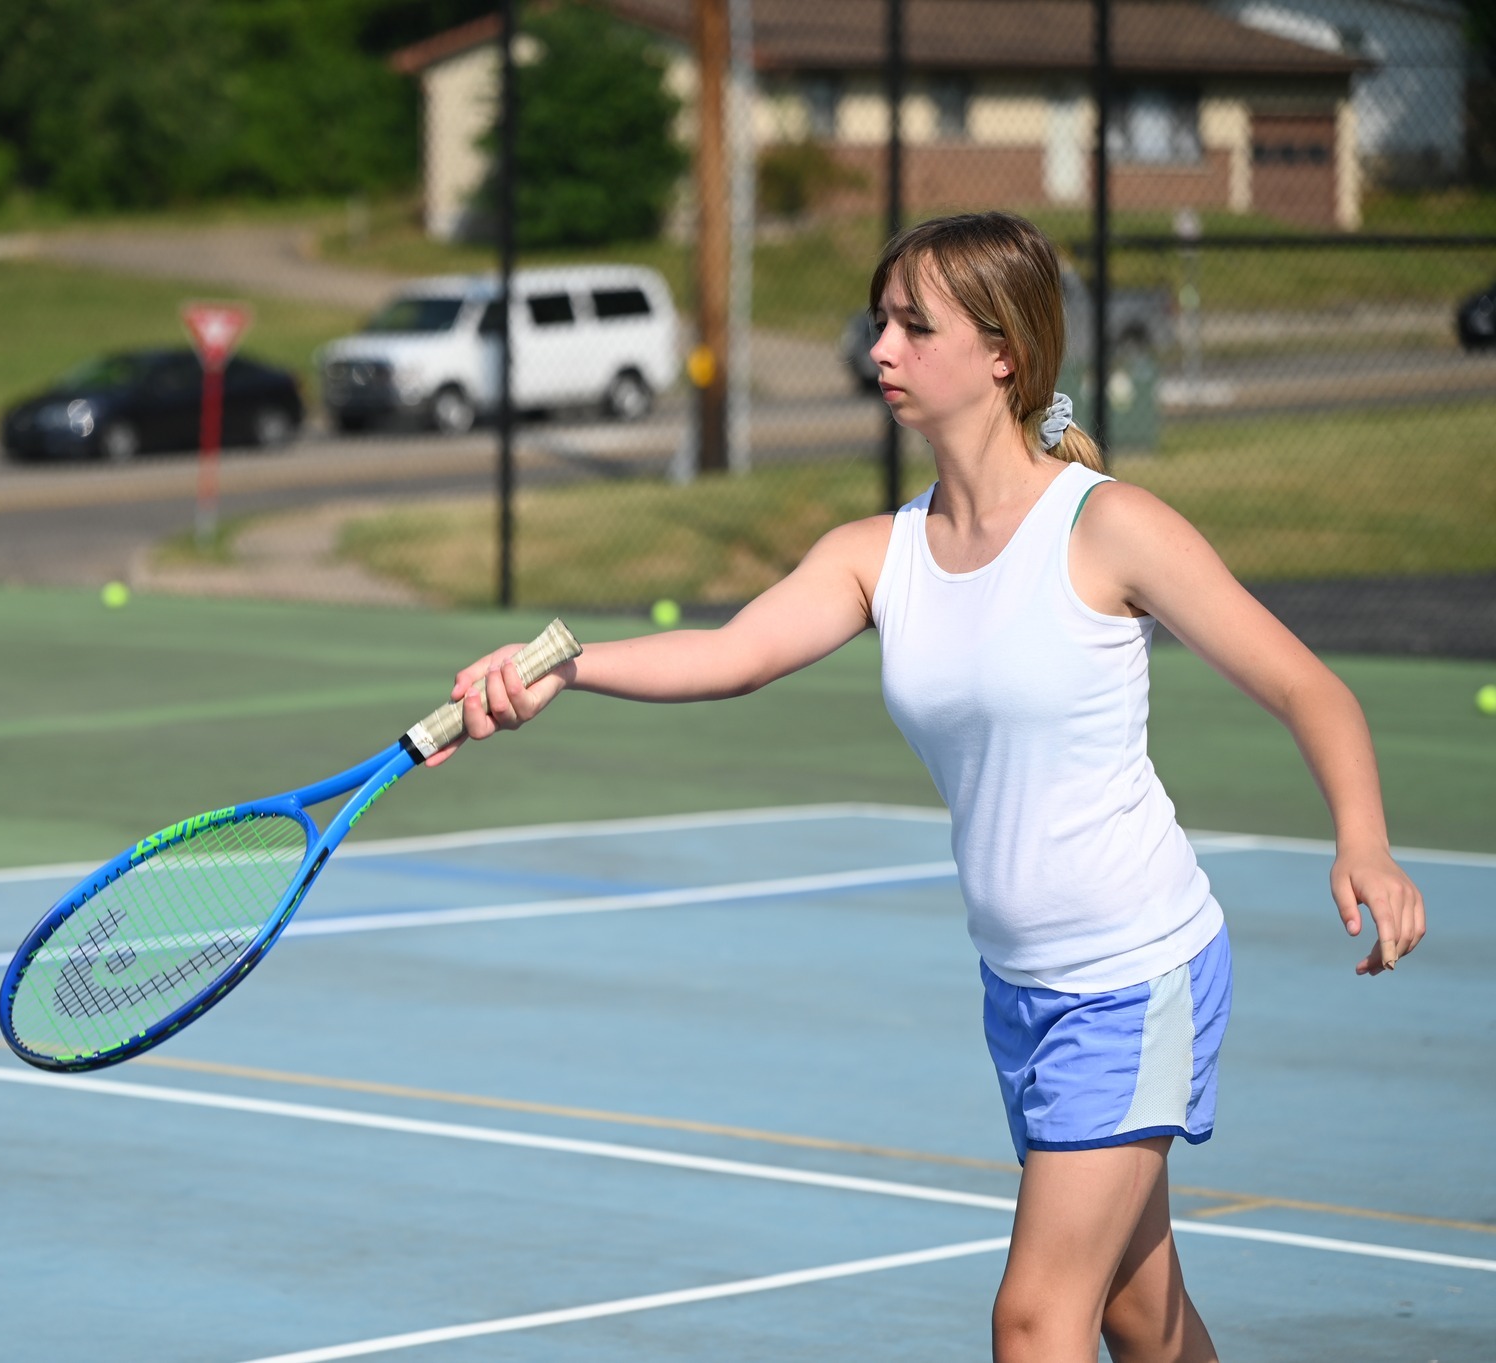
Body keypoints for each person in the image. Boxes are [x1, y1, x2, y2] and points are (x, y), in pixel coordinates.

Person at [427, 211, 1426, 1363]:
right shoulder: (878, 550)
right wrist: (562, 666)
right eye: (878, 324)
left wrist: (1364, 840)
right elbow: (728, 652)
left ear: (1002, 350)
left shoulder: (1107, 528)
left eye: (913, 327)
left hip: (1132, 974)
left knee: (1032, 1319)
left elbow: (1309, 688)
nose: (879, 352)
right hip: (1019, 989)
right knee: (1139, 1316)